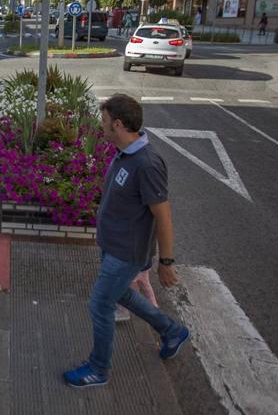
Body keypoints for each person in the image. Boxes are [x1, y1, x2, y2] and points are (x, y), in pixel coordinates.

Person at [64, 94, 189, 388]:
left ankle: (98, 369)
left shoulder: (147, 163)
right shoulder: (125, 153)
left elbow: (164, 216)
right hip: (112, 246)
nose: (101, 126)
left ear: (118, 124)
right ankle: (172, 331)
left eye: (105, 122)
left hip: (126, 252)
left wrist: (166, 262)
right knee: (120, 295)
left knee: (99, 305)